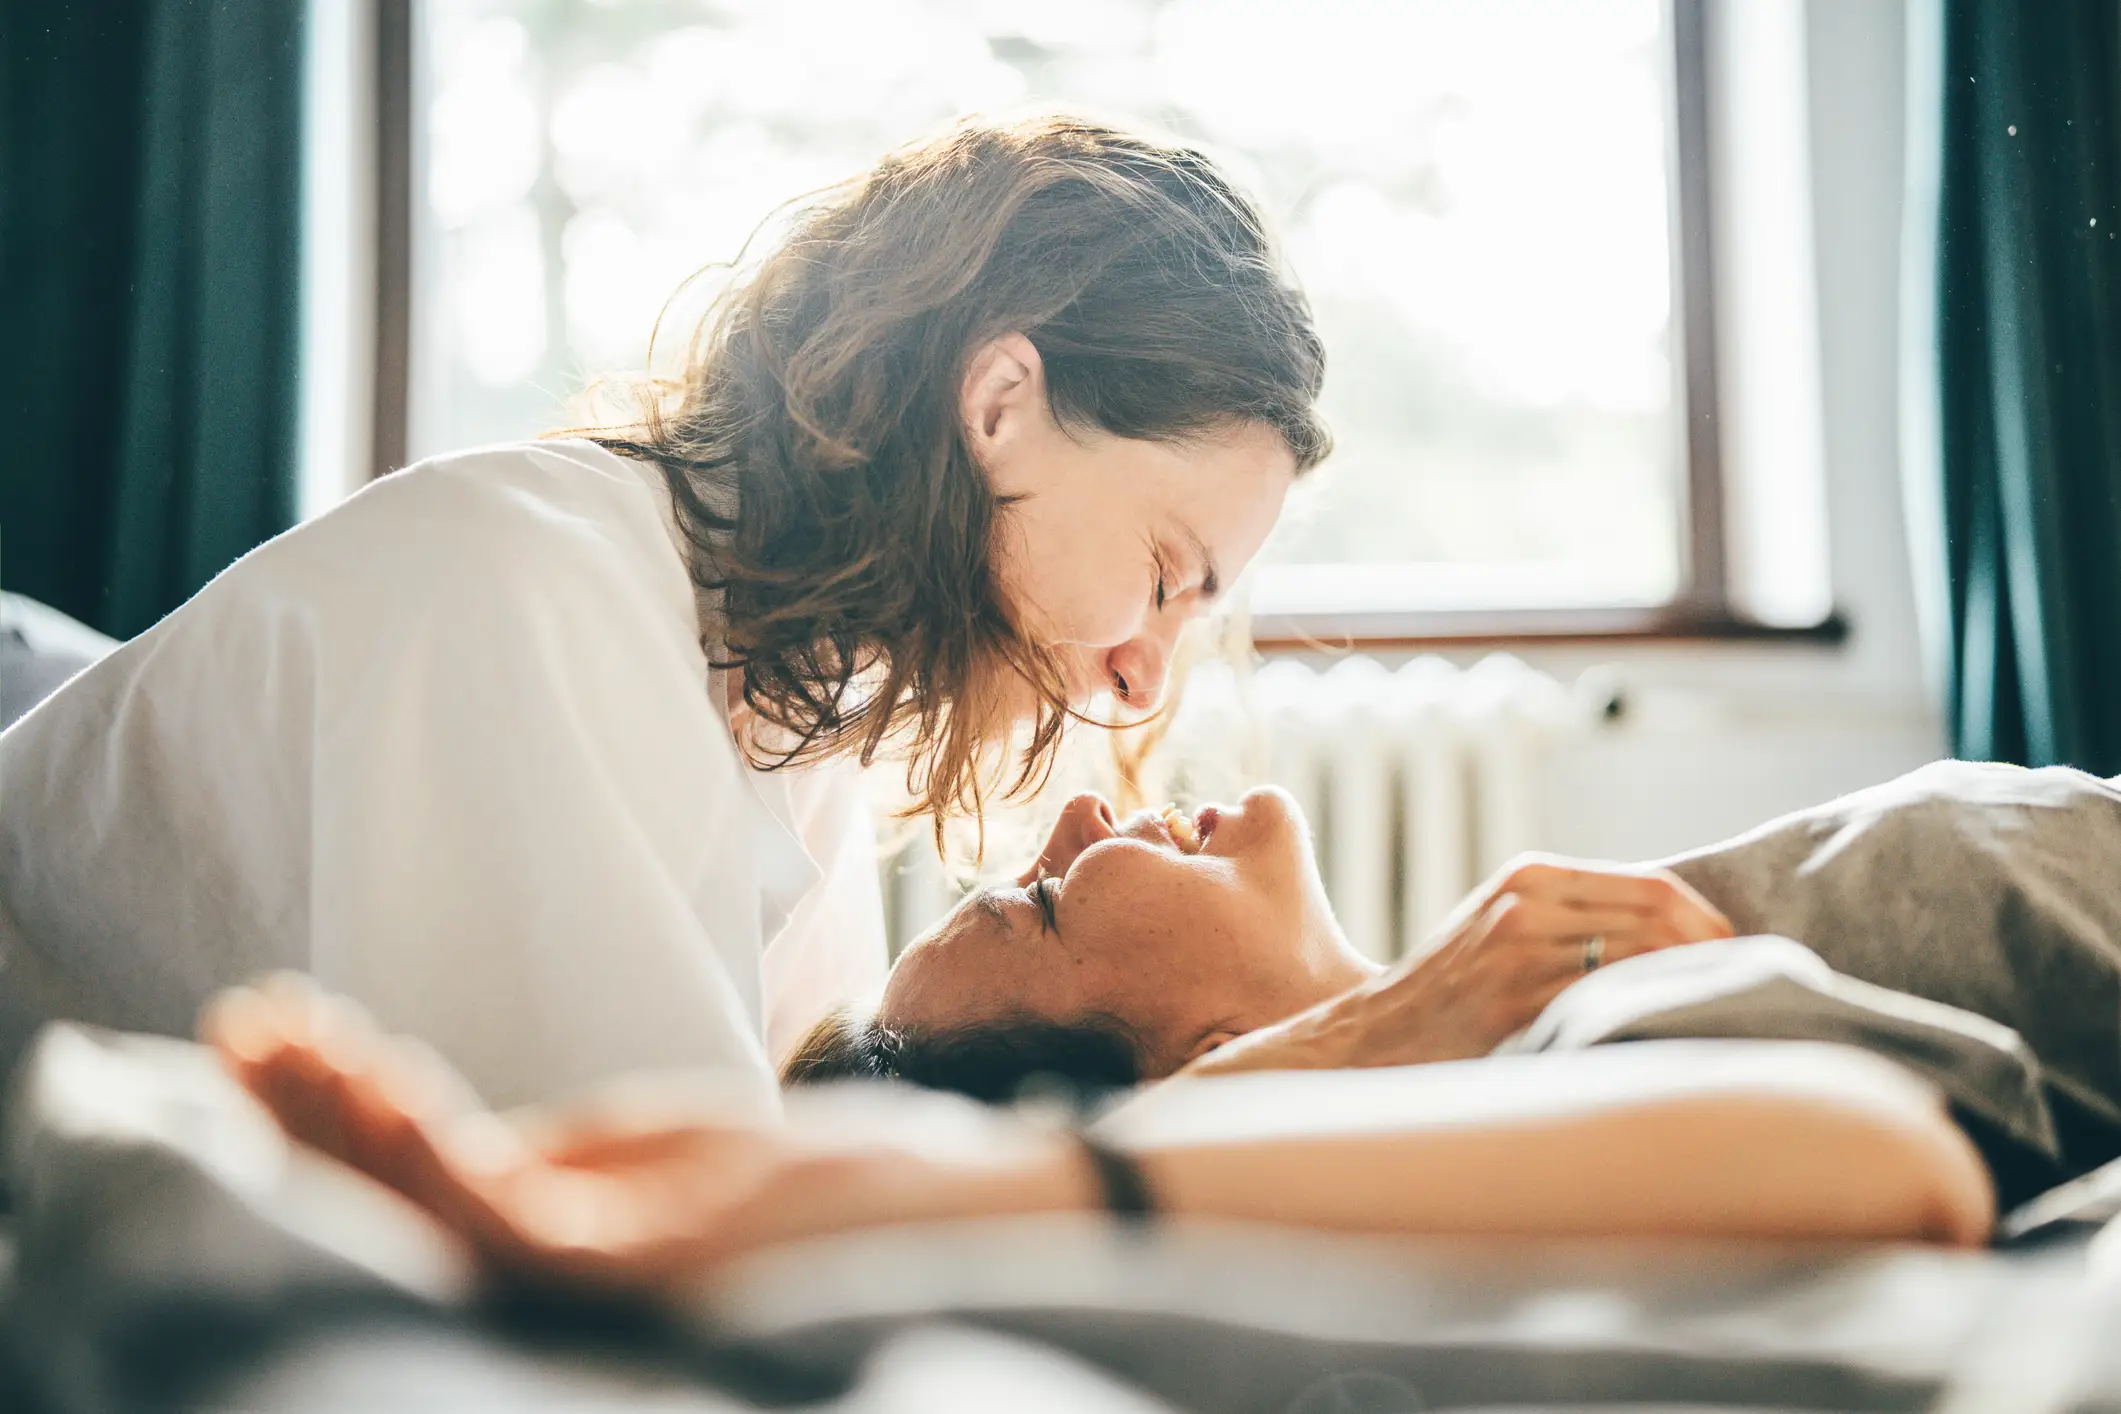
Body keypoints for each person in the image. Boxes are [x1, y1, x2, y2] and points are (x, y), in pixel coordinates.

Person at [0, 116, 1329, 1118]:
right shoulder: (534, 596)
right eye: (1168, 575)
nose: (1145, 677)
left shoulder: (796, 715)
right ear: (997, 408)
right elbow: (646, 1220)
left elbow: (799, 1138)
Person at [788, 761, 2121, 1211]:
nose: (1080, 814)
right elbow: (1895, 1164)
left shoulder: (1517, 987)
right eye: (1042, 902)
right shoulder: (1550, 1065)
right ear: (1202, 1067)